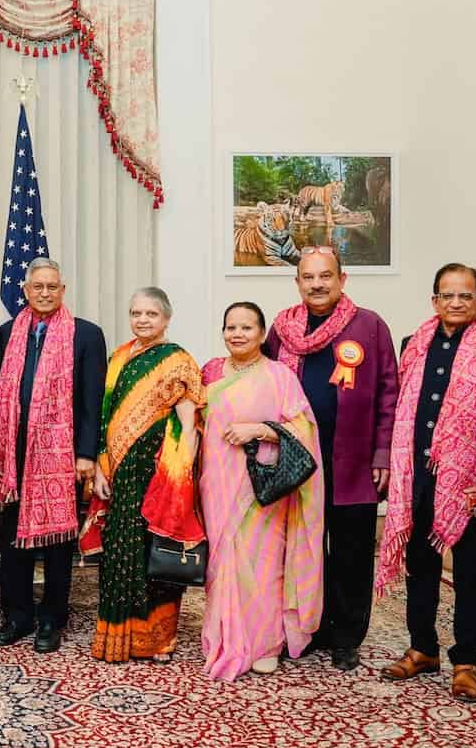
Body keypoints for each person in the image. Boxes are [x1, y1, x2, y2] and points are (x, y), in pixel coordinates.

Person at [376, 264, 476, 701]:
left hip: (470, 484)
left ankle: (466, 661)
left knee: (471, 574)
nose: (456, 303)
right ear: (434, 301)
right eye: (447, 295)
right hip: (417, 479)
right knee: (420, 567)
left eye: (465, 295)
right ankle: (422, 648)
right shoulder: (413, 345)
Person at [265, 247, 397, 671]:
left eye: (325, 276)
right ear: (297, 283)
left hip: (354, 461)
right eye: (308, 277)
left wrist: (383, 453)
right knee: (303, 549)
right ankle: (312, 627)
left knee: (351, 551)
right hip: (298, 461)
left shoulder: (369, 326)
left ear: (343, 279)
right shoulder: (282, 330)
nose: (317, 284)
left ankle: (346, 635)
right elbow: (262, 382)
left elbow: (389, 393)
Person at [199, 301, 324, 681]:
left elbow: (304, 429)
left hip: (262, 485)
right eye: (231, 327)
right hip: (217, 482)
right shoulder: (210, 372)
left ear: (260, 333)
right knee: (222, 561)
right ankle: (225, 634)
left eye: (246, 327)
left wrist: (259, 430)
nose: (237, 334)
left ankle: (265, 643)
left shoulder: (279, 376)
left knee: (265, 563)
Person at [0, 258, 108, 654]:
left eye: (51, 286)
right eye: (37, 286)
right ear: (25, 291)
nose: (44, 292)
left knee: (58, 543)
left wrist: (86, 453)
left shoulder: (86, 334)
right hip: (14, 452)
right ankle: (17, 616)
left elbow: (92, 400)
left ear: (62, 290)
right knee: (13, 540)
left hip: (61, 454)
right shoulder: (7, 333)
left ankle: (52, 619)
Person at [82, 288, 202, 662]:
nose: (143, 320)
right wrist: (101, 466)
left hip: (157, 476)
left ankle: (157, 640)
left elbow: (189, 423)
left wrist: (182, 478)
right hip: (119, 476)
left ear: (166, 318)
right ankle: (117, 638)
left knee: (154, 554)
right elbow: (104, 418)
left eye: (151, 313)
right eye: (136, 313)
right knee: (121, 555)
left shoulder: (177, 360)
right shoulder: (118, 358)